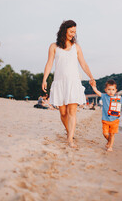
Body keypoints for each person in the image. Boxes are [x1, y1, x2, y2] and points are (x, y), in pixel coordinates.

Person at [42, 20, 95, 148]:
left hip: (73, 82)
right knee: (63, 113)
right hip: (60, 83)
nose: (73, 34)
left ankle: (70, 139)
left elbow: (83, 63)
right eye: (71, 31)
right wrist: (44, 79)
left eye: (74, 32)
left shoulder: (76, 47)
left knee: (72, 112)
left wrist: (91, 76)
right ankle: (69, 132)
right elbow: (49, 63)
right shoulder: (54, 47)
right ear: (64, 30)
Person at [91, 79, 122, 151]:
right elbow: (97, 92)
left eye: (113, 89)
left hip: (115, 120)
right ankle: (109, 141)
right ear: (105, 90)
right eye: (109, 89)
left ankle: (110, 146)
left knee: (112, 134)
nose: (111, 91)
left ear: (115, 90)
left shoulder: (118, 98)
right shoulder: (104, 96)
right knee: (105, 134)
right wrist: (94, 87)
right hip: (105, 120)